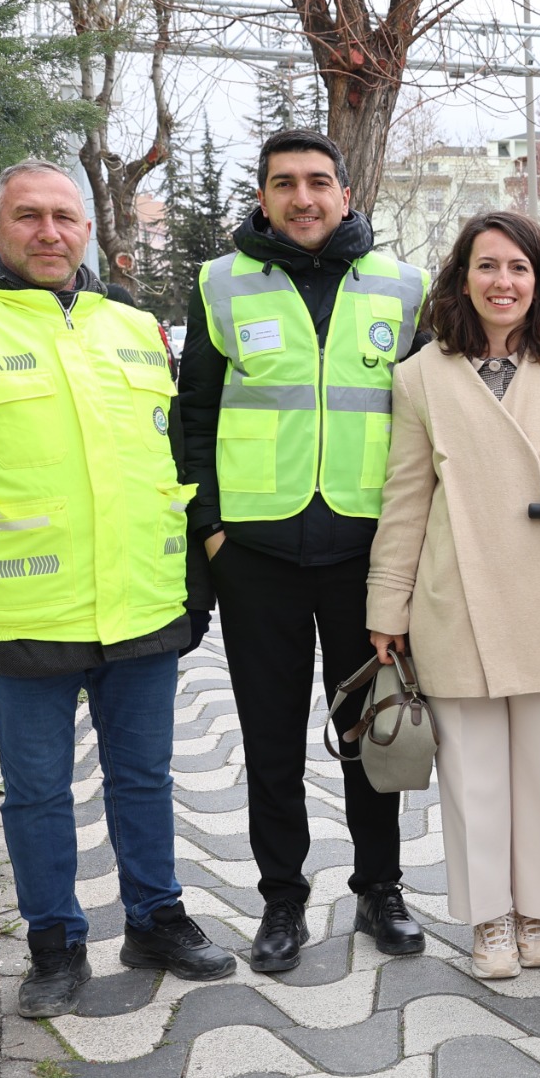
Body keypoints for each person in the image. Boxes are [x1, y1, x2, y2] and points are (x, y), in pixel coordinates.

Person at [0, 159, 233, 1017]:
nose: (50, 232)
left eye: (66, 217)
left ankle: (156, 917)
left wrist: (191, 586)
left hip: (142, 607)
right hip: (21, 612)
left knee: (144, 778)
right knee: (35, 794)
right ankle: (55, 944)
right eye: (28, 217)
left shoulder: (135, 327)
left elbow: (173, 463)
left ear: (87, 230)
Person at [179, 129, 429, 973]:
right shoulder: (220, 283)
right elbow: (196, 416)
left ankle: (379, 888)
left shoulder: (402, 286)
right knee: (270, 737)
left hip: (366, 551)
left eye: (319, 182)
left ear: (347, 195)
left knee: (372, 731)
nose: (303, 198)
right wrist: (212, 526)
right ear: (263, 196)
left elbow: (426, 424)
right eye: (284, 183)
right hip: (256, 553)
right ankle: (282, 900)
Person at [366, 211, 540, 977]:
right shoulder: (420, 377)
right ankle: (489, 921)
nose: (502, 282)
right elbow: (406, 499)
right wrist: (388, 609)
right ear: (461, 277)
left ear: (538, 279)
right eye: (487, 267)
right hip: (456, 598)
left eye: (517, 267)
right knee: (473, 776)